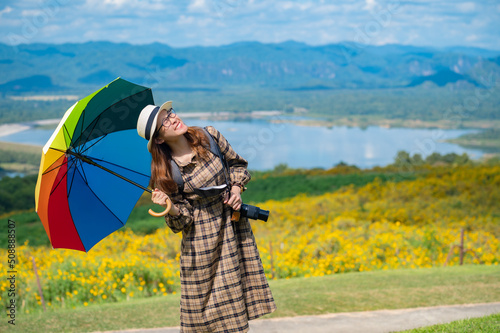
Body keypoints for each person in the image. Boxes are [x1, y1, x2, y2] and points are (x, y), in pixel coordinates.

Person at [136, 101, 277, 332]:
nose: (173, 119)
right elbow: (182, 222)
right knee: (203, 317)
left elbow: (237, 165)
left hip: (232, 230)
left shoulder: (209, 136)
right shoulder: (165, 172)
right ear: (159, 139)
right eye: (165, 122)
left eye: (170, 113)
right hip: (200, 245)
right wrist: (170, 207)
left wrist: (235, 190)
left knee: (235, 312)